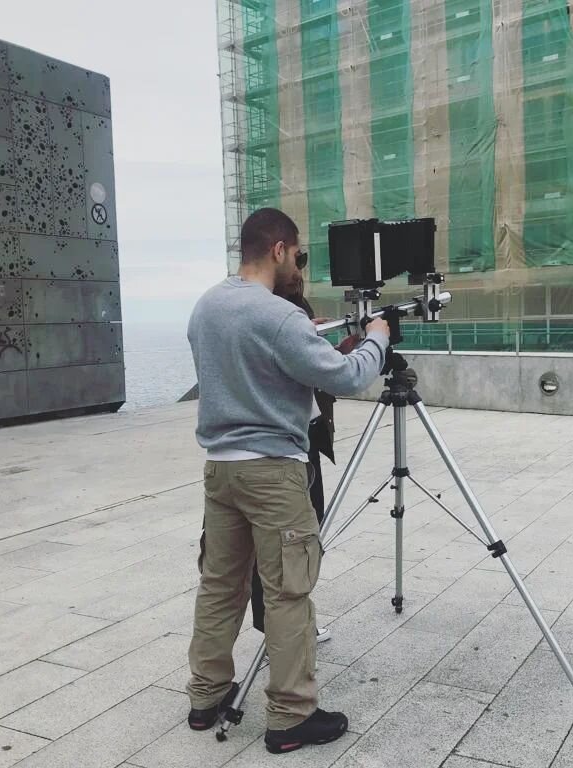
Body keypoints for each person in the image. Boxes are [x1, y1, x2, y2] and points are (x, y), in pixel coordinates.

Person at [186, 207, 389, 754]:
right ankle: (292, 716)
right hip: (272, 472)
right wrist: (378, 337)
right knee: (288, 593)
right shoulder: (278, 316)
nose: (299, 264)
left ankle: (206, 696)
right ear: (278, 249)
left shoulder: (206, 307)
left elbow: (240, 375)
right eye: (298, 254)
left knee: (220, 586)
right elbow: (348, 376)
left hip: (220, 469)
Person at [250, 274, 359, 641]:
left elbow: (310, 373)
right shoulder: (271, 311)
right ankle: (279, 625)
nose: (301, 271)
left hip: (307, 434)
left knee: (309, 525)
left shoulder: (294, 306)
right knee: (285, 539)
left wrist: (335, 352)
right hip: (281, 443)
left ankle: (289, 620)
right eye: (297, 258)